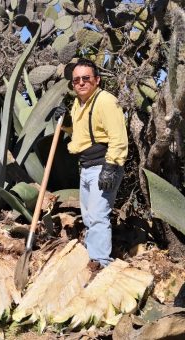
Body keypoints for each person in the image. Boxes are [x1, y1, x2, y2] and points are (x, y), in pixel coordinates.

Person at [54, 58, 128, 267]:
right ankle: (93, 258)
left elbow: (118, 138)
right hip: (86, 167)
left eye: (86, 78)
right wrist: (66, 122)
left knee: (97, 217)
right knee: (88, 217)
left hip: (103, 166)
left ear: (97, 80)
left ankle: (100, 264)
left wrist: (111, 166)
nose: (81, 83)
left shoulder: (105, 101)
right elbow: (81, 134)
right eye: (76, 80)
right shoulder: (79, 103)